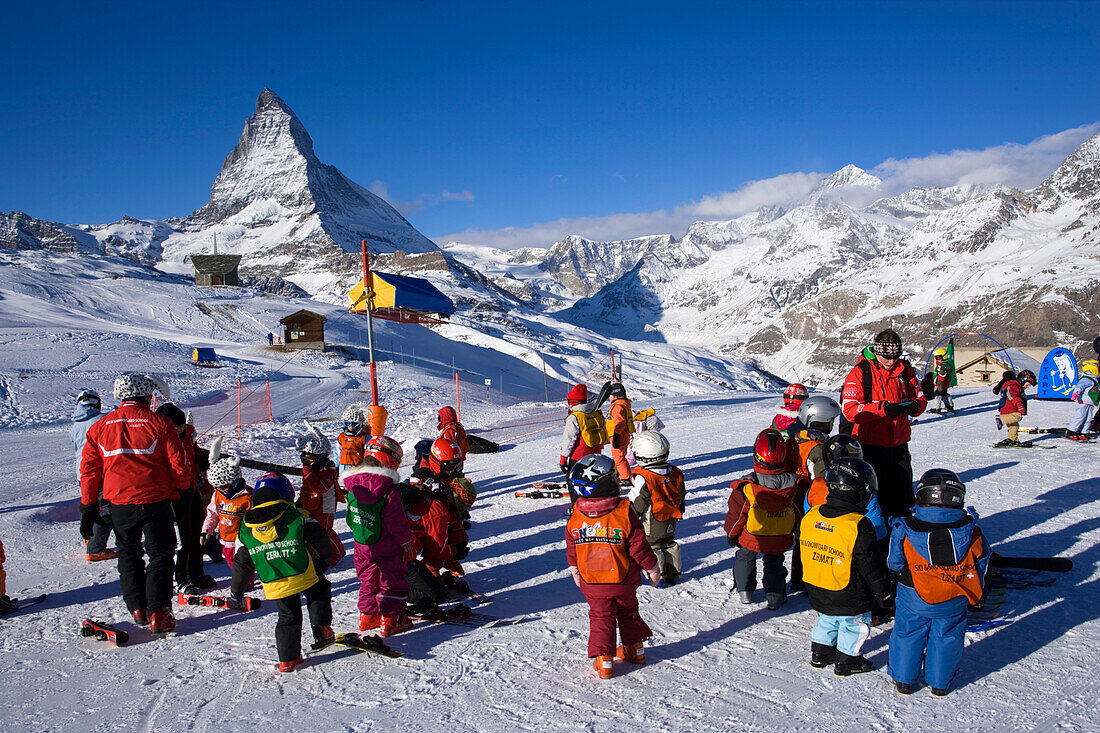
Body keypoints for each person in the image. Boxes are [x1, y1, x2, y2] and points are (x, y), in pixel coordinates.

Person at [79, 374, 190, 633]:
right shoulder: (161, 424)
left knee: (128, 552)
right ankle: (159, 612)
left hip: (119, 502)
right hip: (155, 499)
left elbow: (89, 470)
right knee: (160, 554)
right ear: (147, 394)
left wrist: (87, 506)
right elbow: (179, 464)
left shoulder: (99, 427)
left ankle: (137, 607)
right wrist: (183, 492)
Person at [888, 469, 992, 696]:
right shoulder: (972, 531)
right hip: (954, 595)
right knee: (947, 637)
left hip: (913, 594)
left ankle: (904, 681)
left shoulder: (905, 527)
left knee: (908, 633)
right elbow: (982, 563)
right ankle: (940, 684)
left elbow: (894, 562)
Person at [565, 454, 660, 679]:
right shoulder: (623, 511)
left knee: (601, 617)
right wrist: (652, 567)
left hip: (593, 581)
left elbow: (572, 546)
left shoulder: (576, 516)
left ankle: (604, 661)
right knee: (628, 611)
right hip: (624, 579)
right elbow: (639, 545)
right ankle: (635, 650)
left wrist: (574, 568)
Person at [229, 473, 334, 673]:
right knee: (319, 591)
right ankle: (322, 628)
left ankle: (288, 659)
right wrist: (322, 563)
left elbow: (242, 562)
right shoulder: (295, 515)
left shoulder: (247, 528)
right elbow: (319, 537)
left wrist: (236, 591)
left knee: (287, 616)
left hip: (274, 581)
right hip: (304, 573)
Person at [799, 457, 890, 676]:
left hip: (817, 587)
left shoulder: (811, 515)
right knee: (855, 624)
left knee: (827, 618)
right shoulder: (858, 524)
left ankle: (820, 653)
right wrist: (883, 592)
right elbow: (870, 565)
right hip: (849, 592)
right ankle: (849, 660)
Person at [840, 328, 927, 519]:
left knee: (902, 499)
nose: (891, 361)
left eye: (895, 356)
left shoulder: (906, 371)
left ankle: (899, 540)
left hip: (899, 445)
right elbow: (850, 410)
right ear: (877, 352)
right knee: (875, 500)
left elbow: (921, 398)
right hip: (870, 446)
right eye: (886, 357)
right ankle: (877, 540)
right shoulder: (860, 373)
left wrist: (914, 406)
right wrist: (881, 409)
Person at [724, 429, 806, 610]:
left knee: (745, 557)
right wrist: (799, 532)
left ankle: (745, 592)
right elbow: (800, 512)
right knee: (775, 561)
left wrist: (731, 534)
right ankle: (775, 596)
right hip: (781, 535)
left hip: (753, 536)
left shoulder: (748, 485)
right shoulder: (795, 484)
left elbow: (737, 515)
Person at [341, 435, 414, 636]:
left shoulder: (353, 486)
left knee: (368, 578)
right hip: (386, 544)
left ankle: (367, 617)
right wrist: (406, 541)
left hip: (361, 544)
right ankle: (391, 619)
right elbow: (397, 521)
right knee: (392, 577)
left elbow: (350, 518)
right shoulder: (388, 490)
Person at [156, 403, 216, 593]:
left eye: (182, 426)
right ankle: (179, 578)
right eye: (178, 426)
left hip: (191, 490)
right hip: (172, 495)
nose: (182, 429)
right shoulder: (158, 439)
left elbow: (194, 452)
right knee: (181, 540)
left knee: (197, 532)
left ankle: (195, 572)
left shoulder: (187, 435)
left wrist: (202, 460)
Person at [628, 431, 686, 585]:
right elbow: (682, 494)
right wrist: (681, 508)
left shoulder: (645, 477)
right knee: (668, 543)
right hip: (671, 516)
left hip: (652, 520)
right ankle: (674, 573)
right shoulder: (676, 472)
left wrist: (630, 515)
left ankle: (658, 577)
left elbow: (638, 500)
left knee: (654, 546)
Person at [70, 388, 115, 562]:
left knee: (88, 503)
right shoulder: (103, 420)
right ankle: (95, 548)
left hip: (82, 472)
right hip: (101, 471)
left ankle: (88, 536)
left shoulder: (75, 425)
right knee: (105, 508)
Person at [297, 427, 346, 567]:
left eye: (309, 460)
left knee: (324, 532)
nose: (306, 464)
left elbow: (319, 487)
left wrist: (307, 472)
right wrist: (301, 500)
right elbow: (307, 487)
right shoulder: (313, 469)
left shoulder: (327, 471)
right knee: (313, 530)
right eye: (304, 460)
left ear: (321, 457)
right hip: (311, 504)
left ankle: (336, 554)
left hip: (324, 507)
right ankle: (319, 552)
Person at [559, 384, 609, 502]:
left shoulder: (575, 417)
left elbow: (569, 439)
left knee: (574, 481)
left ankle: (577, 507)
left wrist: (563, 459)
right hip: (596, 454)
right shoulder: (597, 413)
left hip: (579, 457)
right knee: (593, 480)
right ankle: (595, 503)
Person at [201, 454, 250, 567]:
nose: (218, 489)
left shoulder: (247, 496)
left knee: (244, 566)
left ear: (234, 482)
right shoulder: (218, 495)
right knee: (231, 561)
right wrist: (206, 531)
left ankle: (246, 583)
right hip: (226, 540)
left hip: (243, 541)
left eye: (222, 486)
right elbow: (212, 515)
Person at [992, 370, 1036, 445]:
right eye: (1027, 384)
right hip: (1009, 410)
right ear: (1023, 380)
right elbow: (1013, 396)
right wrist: (1020, 405)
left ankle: (1013, 440)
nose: (1027, 387)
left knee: (1014, 426)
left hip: (1011, 410)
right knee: (1018, 416)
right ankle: (1001, 420)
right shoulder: (1014, 385)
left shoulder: (1017, 386)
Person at [606, 383, 634, 486]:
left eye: (609, 395)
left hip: (619, 435)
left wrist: (616, 435)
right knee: (620, 456)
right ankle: (620, 474)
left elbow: (619, 422)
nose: (608, 397)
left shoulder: (618, 406)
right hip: (622, 434)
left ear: (615, 395)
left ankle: (625, 477)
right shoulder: (622, 404)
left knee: (619, 457)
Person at [1065, 359, 1099, 440]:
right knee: (1080, 416)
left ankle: (1084, 431)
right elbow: (1080, 386)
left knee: (1089, 417)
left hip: (1090, 402)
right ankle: (1071, 430)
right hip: (1083, 401)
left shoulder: (1095, 380)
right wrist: (1076, 393)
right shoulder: (1086, 379)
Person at [337, 405, 368, 471]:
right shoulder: (341, 437)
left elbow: (368, 453)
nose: (351, 426)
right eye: (347, 423)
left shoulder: (364, 437)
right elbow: (337, 453)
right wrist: (337, 466)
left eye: (354, 424)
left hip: (358, 468)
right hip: (343, 468)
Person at [928, 349, 955, 414]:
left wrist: (940, 384)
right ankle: (950, 407)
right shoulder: (946, 364)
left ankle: (936, 408)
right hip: (945, 383)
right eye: (936, 358)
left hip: (941, 383)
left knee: (937, 395)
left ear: (944, 356)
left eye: (938, 357)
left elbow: (942, 375)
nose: (937, 359)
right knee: (944, 395)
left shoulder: (942, 366)